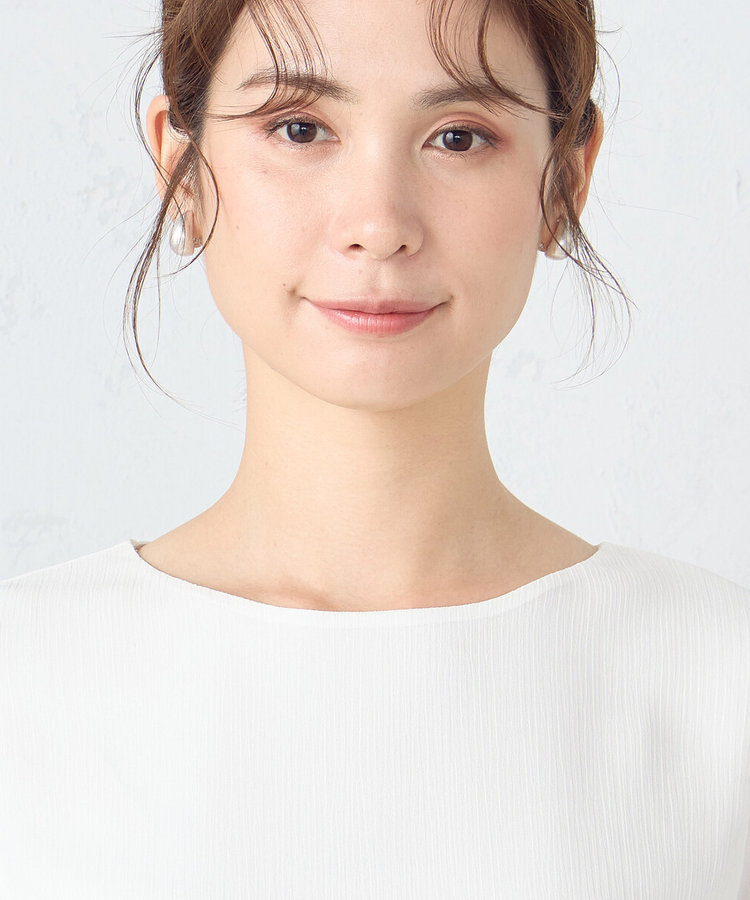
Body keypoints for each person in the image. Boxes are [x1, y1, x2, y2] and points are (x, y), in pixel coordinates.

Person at [1, 0, 749, 896]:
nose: (379, 222)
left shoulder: (720, 677)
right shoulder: (24, 675)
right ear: (180, 170)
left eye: (459, 137)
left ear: (565, 180)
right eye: (300, 128)